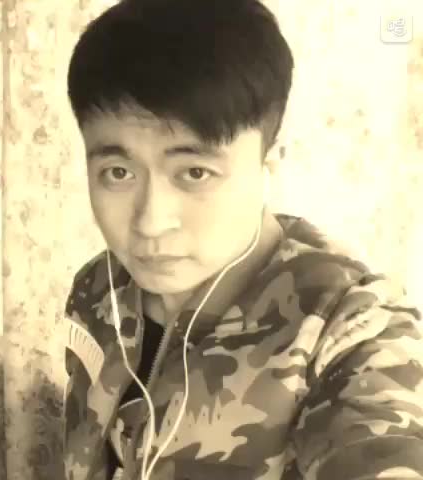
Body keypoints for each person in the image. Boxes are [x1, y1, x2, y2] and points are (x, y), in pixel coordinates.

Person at [62, 0, 423, 479]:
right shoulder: (98, 288)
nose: (150, 222)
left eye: (194, 172)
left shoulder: (351, 326)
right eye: (118, 172)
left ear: (267, 164)